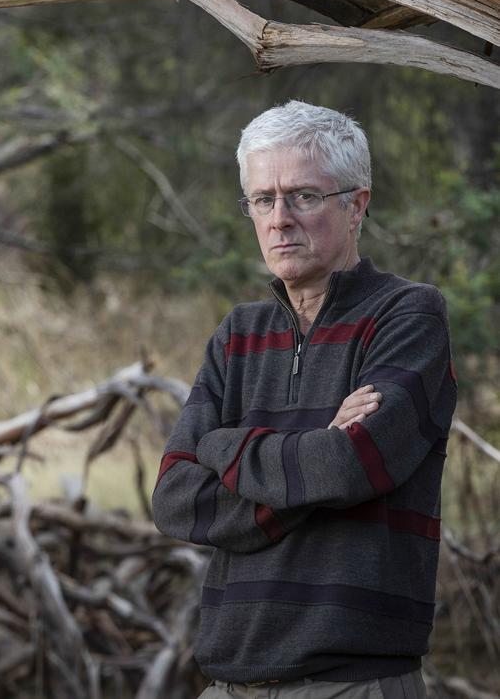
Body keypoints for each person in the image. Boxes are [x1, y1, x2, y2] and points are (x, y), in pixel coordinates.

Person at [152, 101, 457, 699]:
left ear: (356, 204)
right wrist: (313, 453)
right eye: (262, 200)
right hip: (227, 683)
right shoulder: (238, 334)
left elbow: (349, 467)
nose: (279, 219)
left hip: (352, 683)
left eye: (304, 196)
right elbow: (176, 500)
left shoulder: (408, 315)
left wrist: (223, 446)